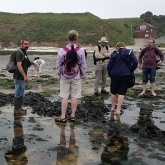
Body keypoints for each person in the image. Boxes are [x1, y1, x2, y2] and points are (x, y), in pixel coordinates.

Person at [55, 29, 86, 123]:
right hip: (76, 77)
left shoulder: (62, 50)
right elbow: (83, 65)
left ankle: (63, 117)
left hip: (64, 77)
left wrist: (60, 74)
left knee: (64, 97)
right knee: (74, 97)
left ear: (68, 38)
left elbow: (58, 65)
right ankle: (72, 116)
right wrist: (81, 74)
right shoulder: (81, 50)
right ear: (76, 38)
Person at [107, 42, 138, 115]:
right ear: (124, 47)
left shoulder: (114, 54)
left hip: (114, 75)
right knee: (121, 92)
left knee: (113, 92)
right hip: (125, 74)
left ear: (117, 47)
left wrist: (110, 74)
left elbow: (109, 66)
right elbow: (135, 62)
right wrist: (131, 70)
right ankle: (118, 110)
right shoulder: (129, 52)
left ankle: (112, 108)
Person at [14, 39, 33, 115]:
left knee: (21, 92)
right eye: (25, 44)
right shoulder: (19, 53)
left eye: (28, 44)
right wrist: (25, 76)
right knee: (18, 92)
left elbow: (27, 63)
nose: (26, 45)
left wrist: (35, 63)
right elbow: (19, 65)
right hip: (19, 77)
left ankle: (19, 108)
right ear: (21, 44)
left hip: (21, 77)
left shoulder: (24, 53)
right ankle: (17, 110)